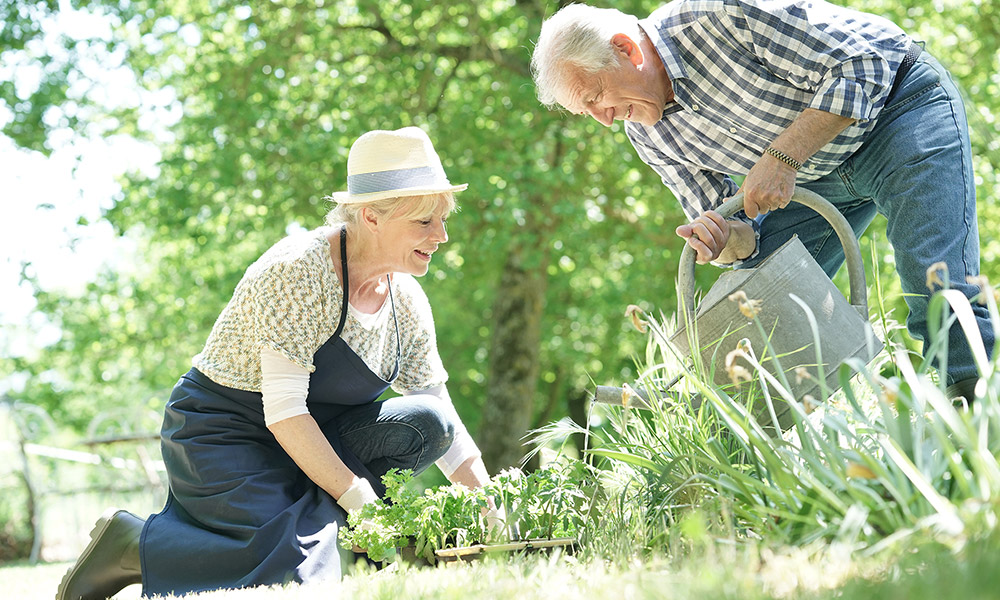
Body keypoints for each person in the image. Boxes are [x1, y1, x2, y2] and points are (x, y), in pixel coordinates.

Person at [57, 126, 495, 599]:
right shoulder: (299, 271)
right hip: (227, 434)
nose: (442, 235)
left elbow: (441, 412)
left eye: (442, 220)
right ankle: (132, 544)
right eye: (426, 222)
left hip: (320, 439)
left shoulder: (406, 302)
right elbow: (285, 411)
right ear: (371, 215)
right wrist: (360, 500)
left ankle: (327, 525)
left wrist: (491, 507)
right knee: (297, 569)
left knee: (430, 423)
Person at [531, 0, 994, 401]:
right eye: (587, 113)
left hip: (899, 109)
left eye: (597, 98)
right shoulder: (648, 133)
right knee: (754, 314)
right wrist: (720, 239)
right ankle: (768, 468)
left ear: (625, 49)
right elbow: (740, 235)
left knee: (938, 285)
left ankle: (976, 439)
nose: (605, 121)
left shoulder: (720, 14)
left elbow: (867, 64)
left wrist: (781, 157)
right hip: (813, 176)